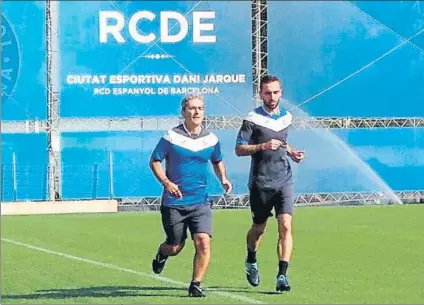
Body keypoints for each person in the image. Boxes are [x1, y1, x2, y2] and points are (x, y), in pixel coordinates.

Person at [150, 94, 232, 297]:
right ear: (183, 112)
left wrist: (223, 178)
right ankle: (162, 254)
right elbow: (154, 161)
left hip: (200, 202)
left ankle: (195, 284)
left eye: (200, 108)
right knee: (175, 246)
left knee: (203, 241)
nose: (196, 112)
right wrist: (167, 183)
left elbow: (217, 160)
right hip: (174, 202)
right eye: (192, 108)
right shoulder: (171, 137)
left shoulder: (211, 139)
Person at [235, 75, 305, 292]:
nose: (272, 97)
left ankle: (282, 275)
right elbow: (239, 149)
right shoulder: (252, 119)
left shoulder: (286, 117)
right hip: (260, 182)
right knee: (259, 228)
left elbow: (282, 141)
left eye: (275, 92)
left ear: (281, 92)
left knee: (285, 225)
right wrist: (262, 145)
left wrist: (292, 152)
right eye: (267, 93)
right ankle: (251, 258)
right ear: (260, 94)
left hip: (283, 179)